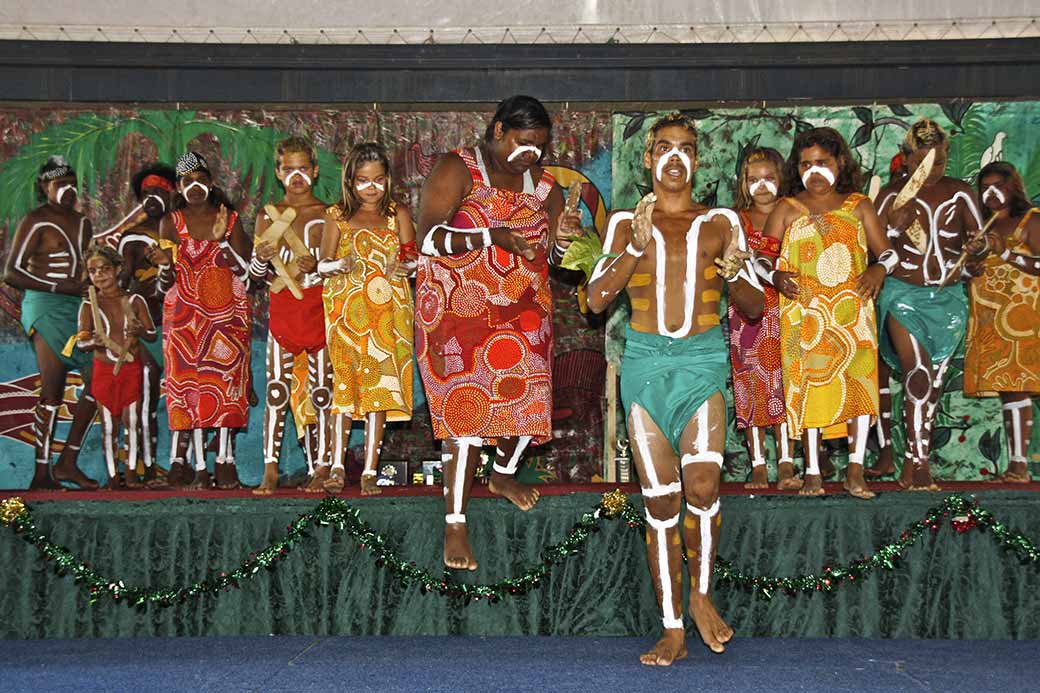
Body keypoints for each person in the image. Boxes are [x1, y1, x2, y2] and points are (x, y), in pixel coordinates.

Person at [587, 113, 762, 663]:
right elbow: (592, 300)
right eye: (663, 148)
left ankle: (702, 596)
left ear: (697, 160)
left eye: (686, 149)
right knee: (660, 504)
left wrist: (735, 271)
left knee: (704, 486)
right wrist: (635, 247)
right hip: (643, 367)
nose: (674, 158)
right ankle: (673, 628)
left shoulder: (721, 220)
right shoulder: (623, 223)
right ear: (647, 158)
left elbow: (755, 307)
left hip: (701, 361)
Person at [414, 95, 581, 570]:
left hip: (523, 313)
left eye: (540, 146)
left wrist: (565, 239)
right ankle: (455, 523)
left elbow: (553, 259)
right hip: (456, 315)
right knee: (466, 413)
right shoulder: (457, 168)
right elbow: (427, 237)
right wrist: (492, 236)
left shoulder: (548, 188)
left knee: (530, 400)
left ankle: (503, 475)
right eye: (523, 142)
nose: (531, 153)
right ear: (497, 130)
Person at [759, 127, 897, 499]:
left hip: (853, 313)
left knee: (858, 387)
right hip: (805, 315)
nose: (813, 171)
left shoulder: (859, 205)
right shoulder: (787, 208)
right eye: (805, 164)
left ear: (841, 162)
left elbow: (889, 253)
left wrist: (877, 269)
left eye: (822, 162)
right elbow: (760, 258)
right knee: (811, 387)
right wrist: (774, 274)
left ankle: (855, 471)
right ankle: (813, 472)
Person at [871, 119, 983, 490]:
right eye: (923, 162)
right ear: (906, 159)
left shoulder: (961, 192)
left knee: (932, 384)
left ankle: (915, 460)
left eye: (939, 161)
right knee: (916, 371)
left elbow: (978, 243)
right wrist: (892, 230)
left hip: (947, 298)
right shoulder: (890, 196)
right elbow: (870, 250)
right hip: (903, 295)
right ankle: (918, 466)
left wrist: (976, 252)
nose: (933, 170)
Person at [318, 142, 416, 495]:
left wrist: (403, 265)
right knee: (344, 389)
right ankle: (337, 467)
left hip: (388, 317)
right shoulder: (337, 217)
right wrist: (338, 265)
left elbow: (414, 260)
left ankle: (370, 471)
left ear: (388, 180)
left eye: (377, 180)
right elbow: (321, 264)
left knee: (379, 391)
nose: (371, 187)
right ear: (350, 181)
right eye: (362, 181)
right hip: (346, 314)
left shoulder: (398, 215)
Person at [153, 152, 252, 489]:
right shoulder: (170, 223)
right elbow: (164, 280)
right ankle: (197, 465)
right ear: (179, 188)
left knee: (224, 385)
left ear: (211, 183)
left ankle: (225, 460)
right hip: (184, 320)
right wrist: (164, 268)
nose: (194, 186)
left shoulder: (231, 219)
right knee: (189, 389)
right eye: (186, 181)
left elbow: (249, 274)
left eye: (200, 179)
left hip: (227, 315)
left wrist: (223, 238)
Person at [4, 156, 99, 490]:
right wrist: (59, 286)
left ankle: (67, 462)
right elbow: (11, 272)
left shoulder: (84, 222)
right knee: (53, 386)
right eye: (60, 184)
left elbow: (88, 268)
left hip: (78, 308)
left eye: (72, 183)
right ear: (44, 187)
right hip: (45, 305)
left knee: (98, 379)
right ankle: (42, 472)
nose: (68, 189)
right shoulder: (35, 220)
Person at [250, 137, 332, 495]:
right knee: (277, 390)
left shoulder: (328, 214)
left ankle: (323, 466)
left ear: (314, 171)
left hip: (318, 308)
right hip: (283, 309)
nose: (296, 176)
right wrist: (261, 257)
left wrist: (319, 267)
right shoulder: (267, 217)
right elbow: (255, 276)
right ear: (279, 173)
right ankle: (270, 469)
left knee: (322, 392)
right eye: (289, 169)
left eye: (303, 168)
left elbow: (337, 268)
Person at [964, 162, 1040, 482]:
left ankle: (1020, 466)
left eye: (999, 186)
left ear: (1014, 188)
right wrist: (972, 267)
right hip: (991, 319)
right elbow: (967, 269)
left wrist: (1005, 254)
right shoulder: (982, 225)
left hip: (1024, 317)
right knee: (1008, 390)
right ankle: (1015, 466)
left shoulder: (1031, 219)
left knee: (1018, 385)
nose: (992, 193)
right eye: (985, 187)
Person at [727, 147, 796, 490]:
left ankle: (786, 462)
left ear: (782, 178)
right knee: (749, 382)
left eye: (769, 178)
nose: (762, 186)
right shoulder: (736, 220)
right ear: (743, 184)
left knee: (784, 383)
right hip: (747, 310)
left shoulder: (794, 214)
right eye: (753, 180)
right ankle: (758, 464)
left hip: (788, 306)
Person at [114, 163, 177, 486]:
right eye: (146, 194)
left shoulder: (183, 230)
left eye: (159, 192)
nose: (151, 199)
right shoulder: (133, 237)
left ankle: (172, 464)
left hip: (181, 324)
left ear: (172, 194)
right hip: (147, 323)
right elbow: (123, 279)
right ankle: (143, 465)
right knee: (146, 398)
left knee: (177, 398)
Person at [76, 245, 156, 487]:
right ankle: (113, 476)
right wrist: (94, 342)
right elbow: (81, 343)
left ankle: (131, 473)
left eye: (105, 269)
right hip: (104, 370)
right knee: (109, 427)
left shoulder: (134, 300)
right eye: (93, 271)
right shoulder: (89, 305)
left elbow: (151, 334)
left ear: (118, 269)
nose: (99, 275)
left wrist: (139, 330)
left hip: (131, 369)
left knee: (132, 422)